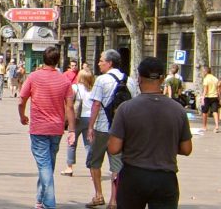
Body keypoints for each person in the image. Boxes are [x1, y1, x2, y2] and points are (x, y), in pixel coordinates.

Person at [108, 57, 193, 208]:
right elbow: (187, 149)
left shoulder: (126, 108)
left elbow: (114, 148)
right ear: (162, 79)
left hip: (133, 175)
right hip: (165, 177)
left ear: (139, 78)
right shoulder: (178, 109)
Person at [18, 46, 76, 209]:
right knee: (48, 165)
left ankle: (50, 204)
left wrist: (22, 116)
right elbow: (70, 107)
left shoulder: (33, 77)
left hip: (38, 129)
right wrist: (72, 130)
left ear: (43, 59)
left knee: (45, 167)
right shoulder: (65, 80)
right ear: (58, 60)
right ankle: (40, 199)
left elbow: (21, 99)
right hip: (56, 129)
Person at [86, 49, 133, 209]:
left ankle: (98, 195)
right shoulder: (130, 81)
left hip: (103, 128)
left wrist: (90, 127)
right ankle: (114, 200)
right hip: (122, 131)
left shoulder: (102, 80)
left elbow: (96, 104)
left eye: (101, 60)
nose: (99, 63)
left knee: (94, 162)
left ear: (109, 63)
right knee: (117, 166)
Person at [60, 69, 95, 177]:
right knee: (89, 145)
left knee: (72, 142)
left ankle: (69, 167)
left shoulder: (75, 87)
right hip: (90, 118)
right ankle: (92, 169)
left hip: (77, 118)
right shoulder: (94, 89)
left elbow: (68, 102)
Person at [200, 66, 221, 133]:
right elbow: (218, 90)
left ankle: (204, 126)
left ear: (205, 72)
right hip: (215, 97)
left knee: (205, 112)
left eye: (202, 71)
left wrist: (202, 97)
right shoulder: (215, 79)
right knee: (215, 111)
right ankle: (217, 126)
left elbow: (205, 89)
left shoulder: (206, 79)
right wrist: (220, 98)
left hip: (207, 97)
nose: (202, 73)